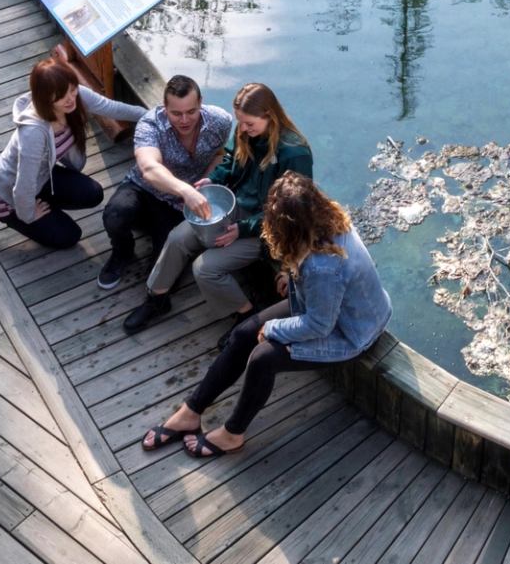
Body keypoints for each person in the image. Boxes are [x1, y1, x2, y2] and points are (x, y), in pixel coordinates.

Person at [139, 173, 390, 458]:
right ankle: (191, 410)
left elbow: (320, 324)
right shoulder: (326, 220)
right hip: (332, 307)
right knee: (244, 333)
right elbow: (317, 282)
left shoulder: (323, 268)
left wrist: (273, 328)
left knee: (263, 358)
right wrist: (290, 272)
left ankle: (233, 434)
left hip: (353, 332)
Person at [122, 82, 315, 333]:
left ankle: (245, 314)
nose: (242, 129)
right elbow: (229, 161)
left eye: (249, 124)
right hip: (234, 207)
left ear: (269, 115)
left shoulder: (294, 153)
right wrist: (215, 178)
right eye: (240, 122)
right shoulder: (246, 132)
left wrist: (242, 229)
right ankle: (157, 298)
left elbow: (291, 213)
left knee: (205, 268)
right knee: (177, 237)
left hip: (267, 229)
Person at [0, 48, 147, 249]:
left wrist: (152, 115)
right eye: (61, 96)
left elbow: (111, 108)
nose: (71, 98)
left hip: (41, 178)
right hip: (7, 194)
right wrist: (28, 213)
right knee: (69, 236)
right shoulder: (33, 133)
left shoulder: (75, 98)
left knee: (93, 193)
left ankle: (42, 208)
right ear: (45, 98)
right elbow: (23, 184)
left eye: (72, 89)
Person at [98, 74, 234, 290]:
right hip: (144, 190)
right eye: (176, 113)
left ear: (201, 103)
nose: (184, 120)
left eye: (191, 111)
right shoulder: (150, 123)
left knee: (164, 275)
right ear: (164, 107)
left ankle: (156, 235)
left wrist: (206, 181)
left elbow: (219, 153)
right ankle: (122, 251)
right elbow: (149, 168)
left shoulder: (221, 121)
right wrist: (186, 191)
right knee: (115, 215)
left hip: (176, 207)